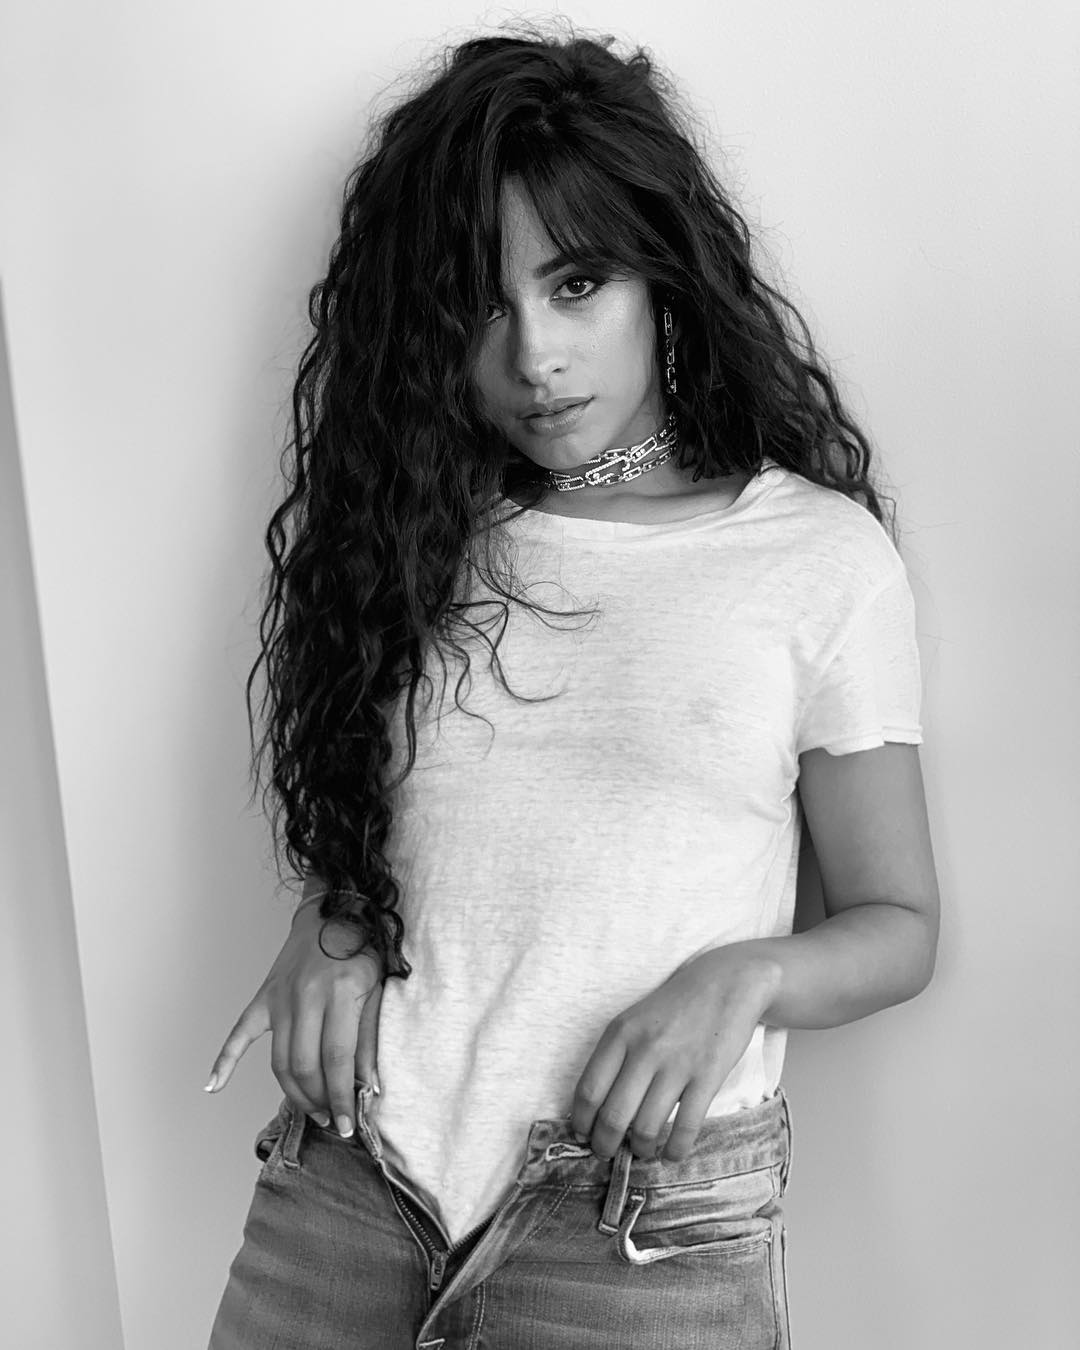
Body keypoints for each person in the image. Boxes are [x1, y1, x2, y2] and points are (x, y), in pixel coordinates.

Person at [204, 23, 940, 1350]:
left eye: (577, 284)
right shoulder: (413, 538)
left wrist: (741, 977)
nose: (535, 355)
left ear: (665, 280)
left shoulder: (817, 559)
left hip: (631, 1226)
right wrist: (334, 910)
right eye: (481, 307)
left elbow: (898, 923)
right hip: (349, 1187)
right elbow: (419, 843)